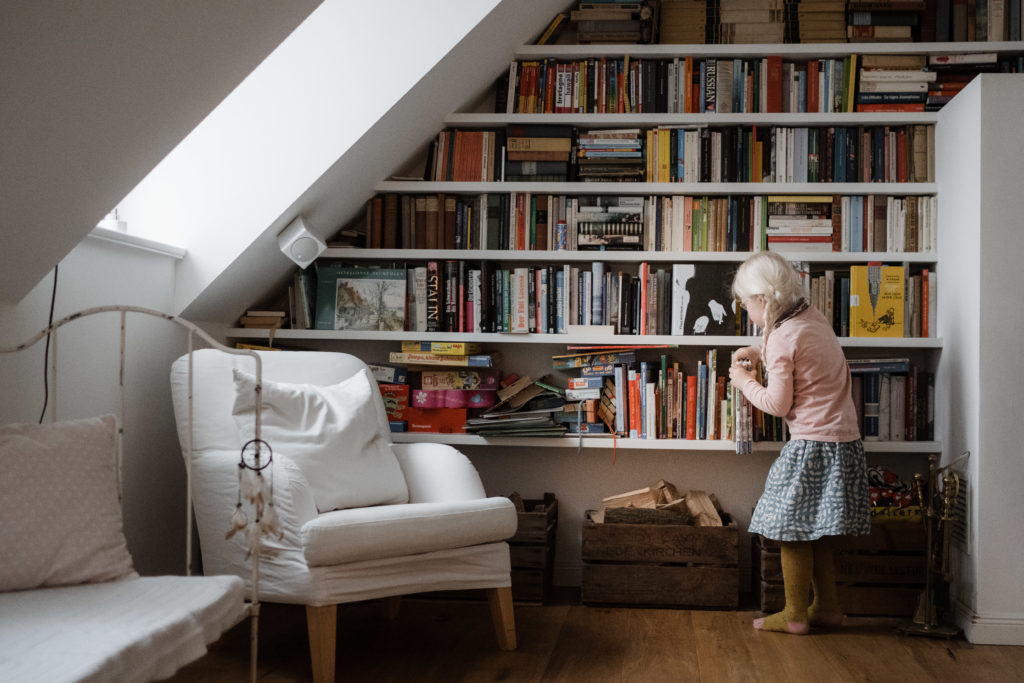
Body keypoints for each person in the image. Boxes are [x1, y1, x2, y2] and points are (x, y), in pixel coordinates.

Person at [728, 251, 870, 635]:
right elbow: (799, 351)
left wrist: (744, 383)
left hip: (811, 446)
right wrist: (758, 351)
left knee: (789, 528)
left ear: (762, 300)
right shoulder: (812, 318)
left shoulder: (782, 339)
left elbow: (777, 404)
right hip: (844, 441)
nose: (746, 311)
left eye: (746, 303)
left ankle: (793, 614)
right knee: (817, 531)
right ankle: (828, 608)